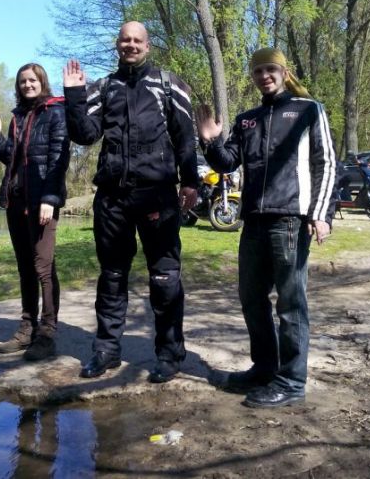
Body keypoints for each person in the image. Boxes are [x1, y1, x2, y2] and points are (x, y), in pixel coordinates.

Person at [196, 48, 337, 408]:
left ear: (284, 72)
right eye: (258, 71)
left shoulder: (308, 110)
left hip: (290, 219)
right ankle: (264, 368)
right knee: (251, 298)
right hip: (254, 221)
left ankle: (291, 381)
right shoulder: (247, 119)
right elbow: (227, 163)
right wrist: (210, 140)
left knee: (291, 304)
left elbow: (325, 163)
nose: (264, 76)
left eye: (270, 69)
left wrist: (321, 213)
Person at [63, 21, 199, 383]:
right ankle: (106, 351)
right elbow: (85, 135)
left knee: (165, 278)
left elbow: (186, 138)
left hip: (158, 196)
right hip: (113, 198)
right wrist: (74, 96)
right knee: (111, 276)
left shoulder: (169, 85)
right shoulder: (104, 87)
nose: (131, 45)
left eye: (138, 40)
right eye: (125, 40)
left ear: (148, 46)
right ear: (117, 44)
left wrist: (191, 181)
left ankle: (169, 354)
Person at [0, 63, 70, 361]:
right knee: (25, 267)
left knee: (43, 268)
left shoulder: (56, 112)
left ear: (42, 82)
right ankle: (27, 328)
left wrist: (50, 198)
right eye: (23, 81)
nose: (28, 85)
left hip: (41, 202)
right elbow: (13, 158)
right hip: (16, 201)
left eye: (32, 80)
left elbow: (58, 158)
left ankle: (47, 333)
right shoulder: (18, 117)